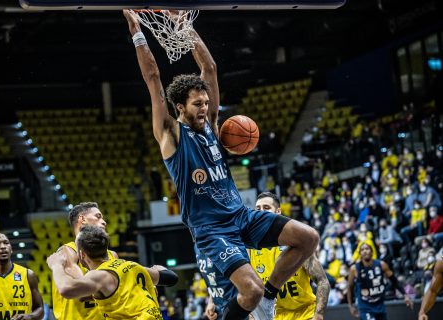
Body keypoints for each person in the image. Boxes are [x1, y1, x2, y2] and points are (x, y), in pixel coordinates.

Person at [124, 10, 319, 320]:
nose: (205, 108)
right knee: (249, 292)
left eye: (206, 103)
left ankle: (270, 296)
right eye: (197, 104)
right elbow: (153, 78)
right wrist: (137, 33)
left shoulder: (212, 128)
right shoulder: (171, 134)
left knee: (307, 238)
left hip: (241, 216)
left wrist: (183, 26)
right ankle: (259, 298)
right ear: (180, 107)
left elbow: (209, 67)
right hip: (211, 229)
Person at [48, 225, 178, 319]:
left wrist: (56, 265)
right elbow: (171, 278)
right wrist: (158, 268)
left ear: (81, 254)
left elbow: (66, 289)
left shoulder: (99, 276)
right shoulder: (132, 266)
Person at [249, 192, 330, 320]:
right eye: (258, 209)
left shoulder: (297, 243)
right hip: (277, 316)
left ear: (278, 212)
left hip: (306, 314)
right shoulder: (250, 250)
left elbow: (323, 281)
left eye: (266, 208)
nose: (261, 212)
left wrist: (319, 314)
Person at [51, 202, 119, 320]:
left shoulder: (112, 255)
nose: (104, 221)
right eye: (98, 216)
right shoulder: (67, 252)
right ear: (82, 219)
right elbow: (79, 291)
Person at [347, 242, 413, 320]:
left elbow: (394, 280)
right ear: (360, 254)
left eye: (367, 249)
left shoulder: (381, 265)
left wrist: (405, 295)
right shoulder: (354, 269)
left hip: (379, 304)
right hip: (365, 305)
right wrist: (350, 305)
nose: (365, 251)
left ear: (372, 252)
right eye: (362, 250)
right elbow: (350, 287)